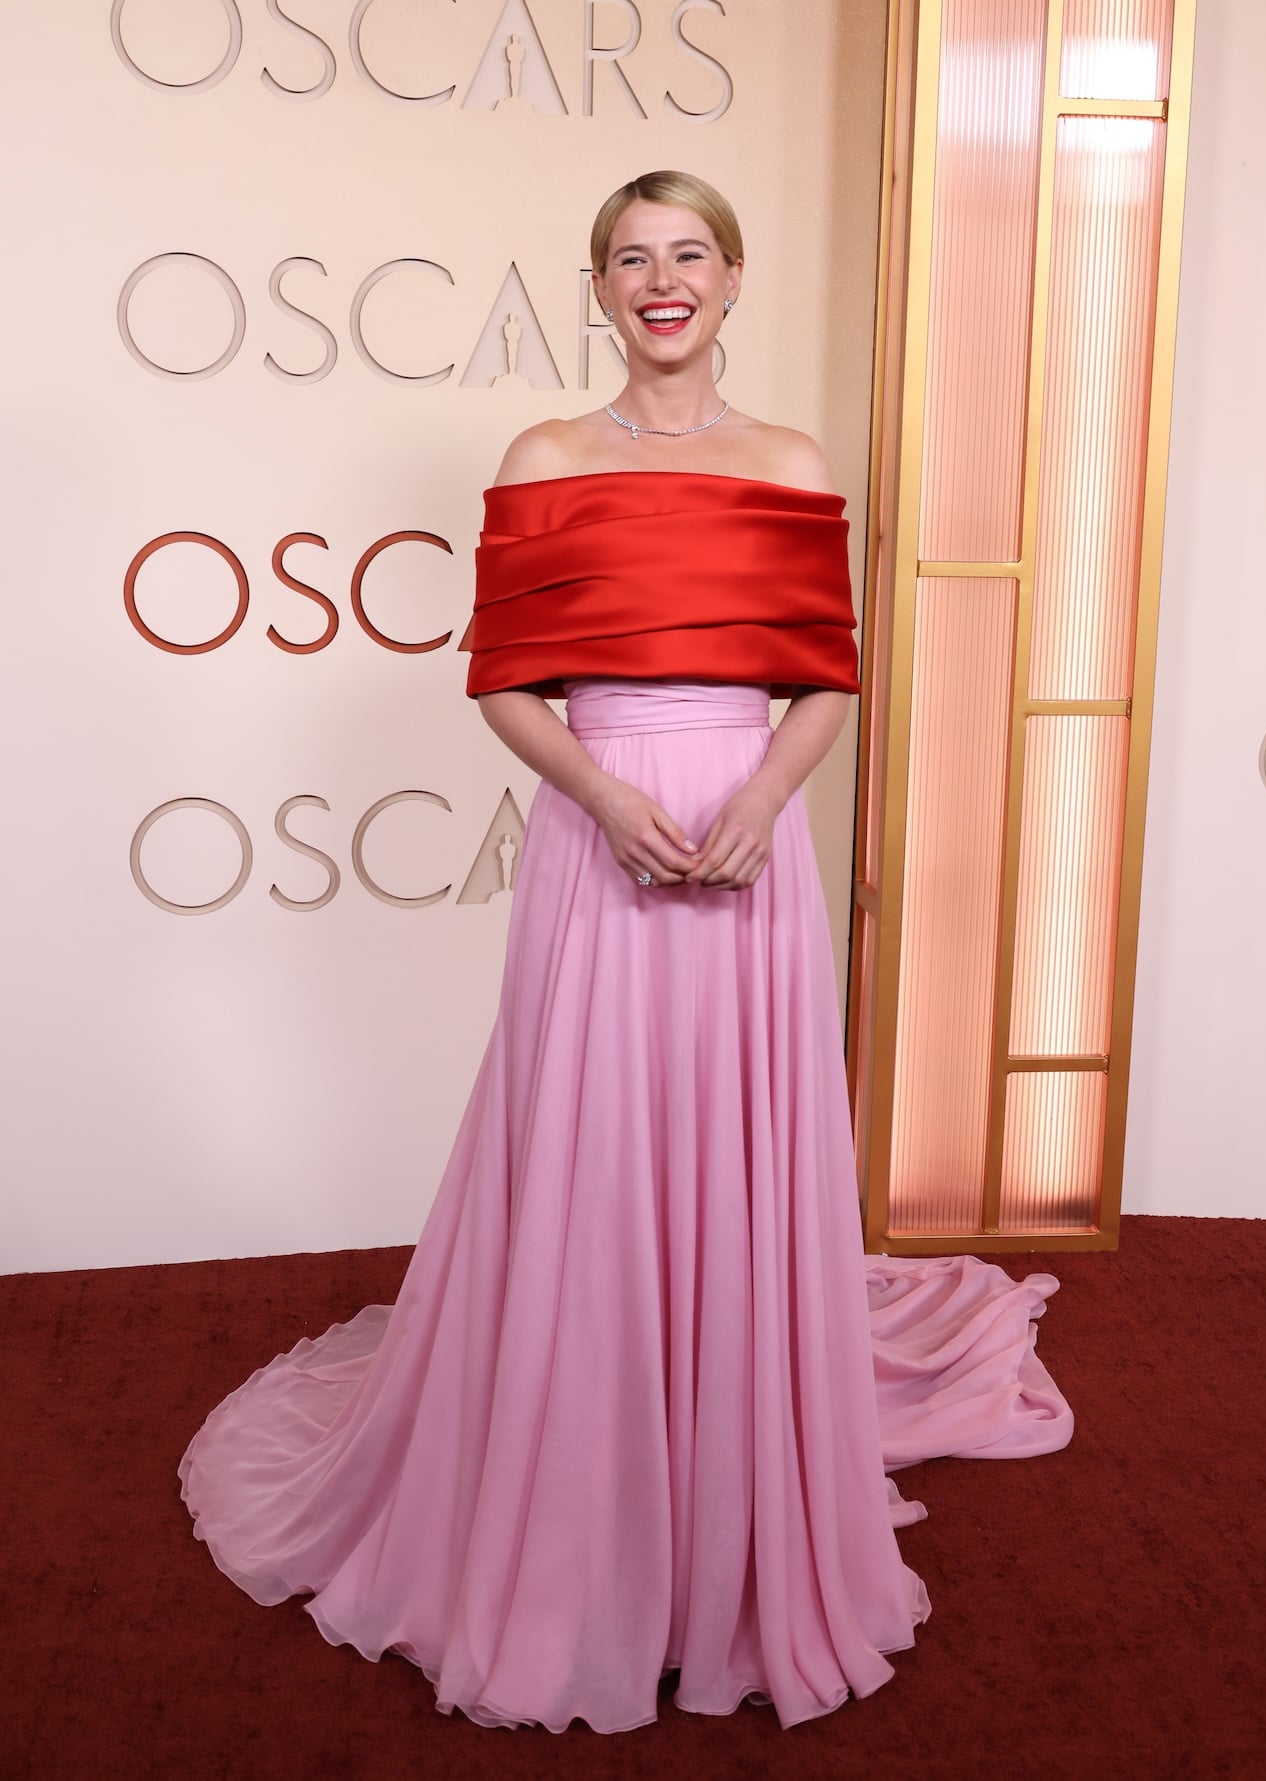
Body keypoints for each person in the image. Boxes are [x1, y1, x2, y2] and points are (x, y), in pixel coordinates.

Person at [179, 170, 1071, 1735]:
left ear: (733, 279)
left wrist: (763, 800)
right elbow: (505, 682)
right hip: (598, 843)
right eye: (633, 257)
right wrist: (600, 796)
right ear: (599, 288)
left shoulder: (788, 460)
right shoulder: (546, 457)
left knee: (736, 1150)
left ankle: (730, 1519)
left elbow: (826, 680)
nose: (664, 280)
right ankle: (578, 1534)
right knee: (587, 1154)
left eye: (690, 254)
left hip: (751, 844)